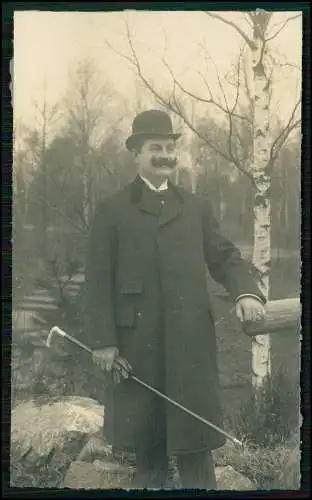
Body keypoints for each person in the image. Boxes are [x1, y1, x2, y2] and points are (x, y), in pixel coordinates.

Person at [84, 109, 266, 489]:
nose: (165, 156)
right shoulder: (112, 211)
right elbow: (97, 282)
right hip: (138, 350)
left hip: (190, 347)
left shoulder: (195, 207)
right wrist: (103, 341)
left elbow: (225, 257)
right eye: (155, 148)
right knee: (148, 454)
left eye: (170, 148)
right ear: (136, 153)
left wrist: (246, 292)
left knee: (196, 450)